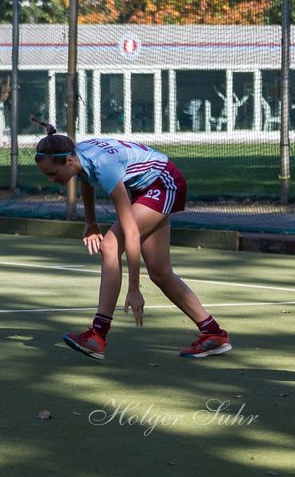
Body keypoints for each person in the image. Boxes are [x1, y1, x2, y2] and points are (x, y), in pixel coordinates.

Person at [31, 119, 230, 361]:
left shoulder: (104, 166)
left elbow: (132, 232)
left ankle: (98, 335)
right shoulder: (78, 157)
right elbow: (85, 181)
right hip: (147, 186)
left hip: (164, 184)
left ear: (69, 160)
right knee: (160, 272)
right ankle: (214, 334)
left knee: (111, 244)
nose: (51, 179)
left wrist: (134, 288)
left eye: (53, 173)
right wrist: (91, 222)